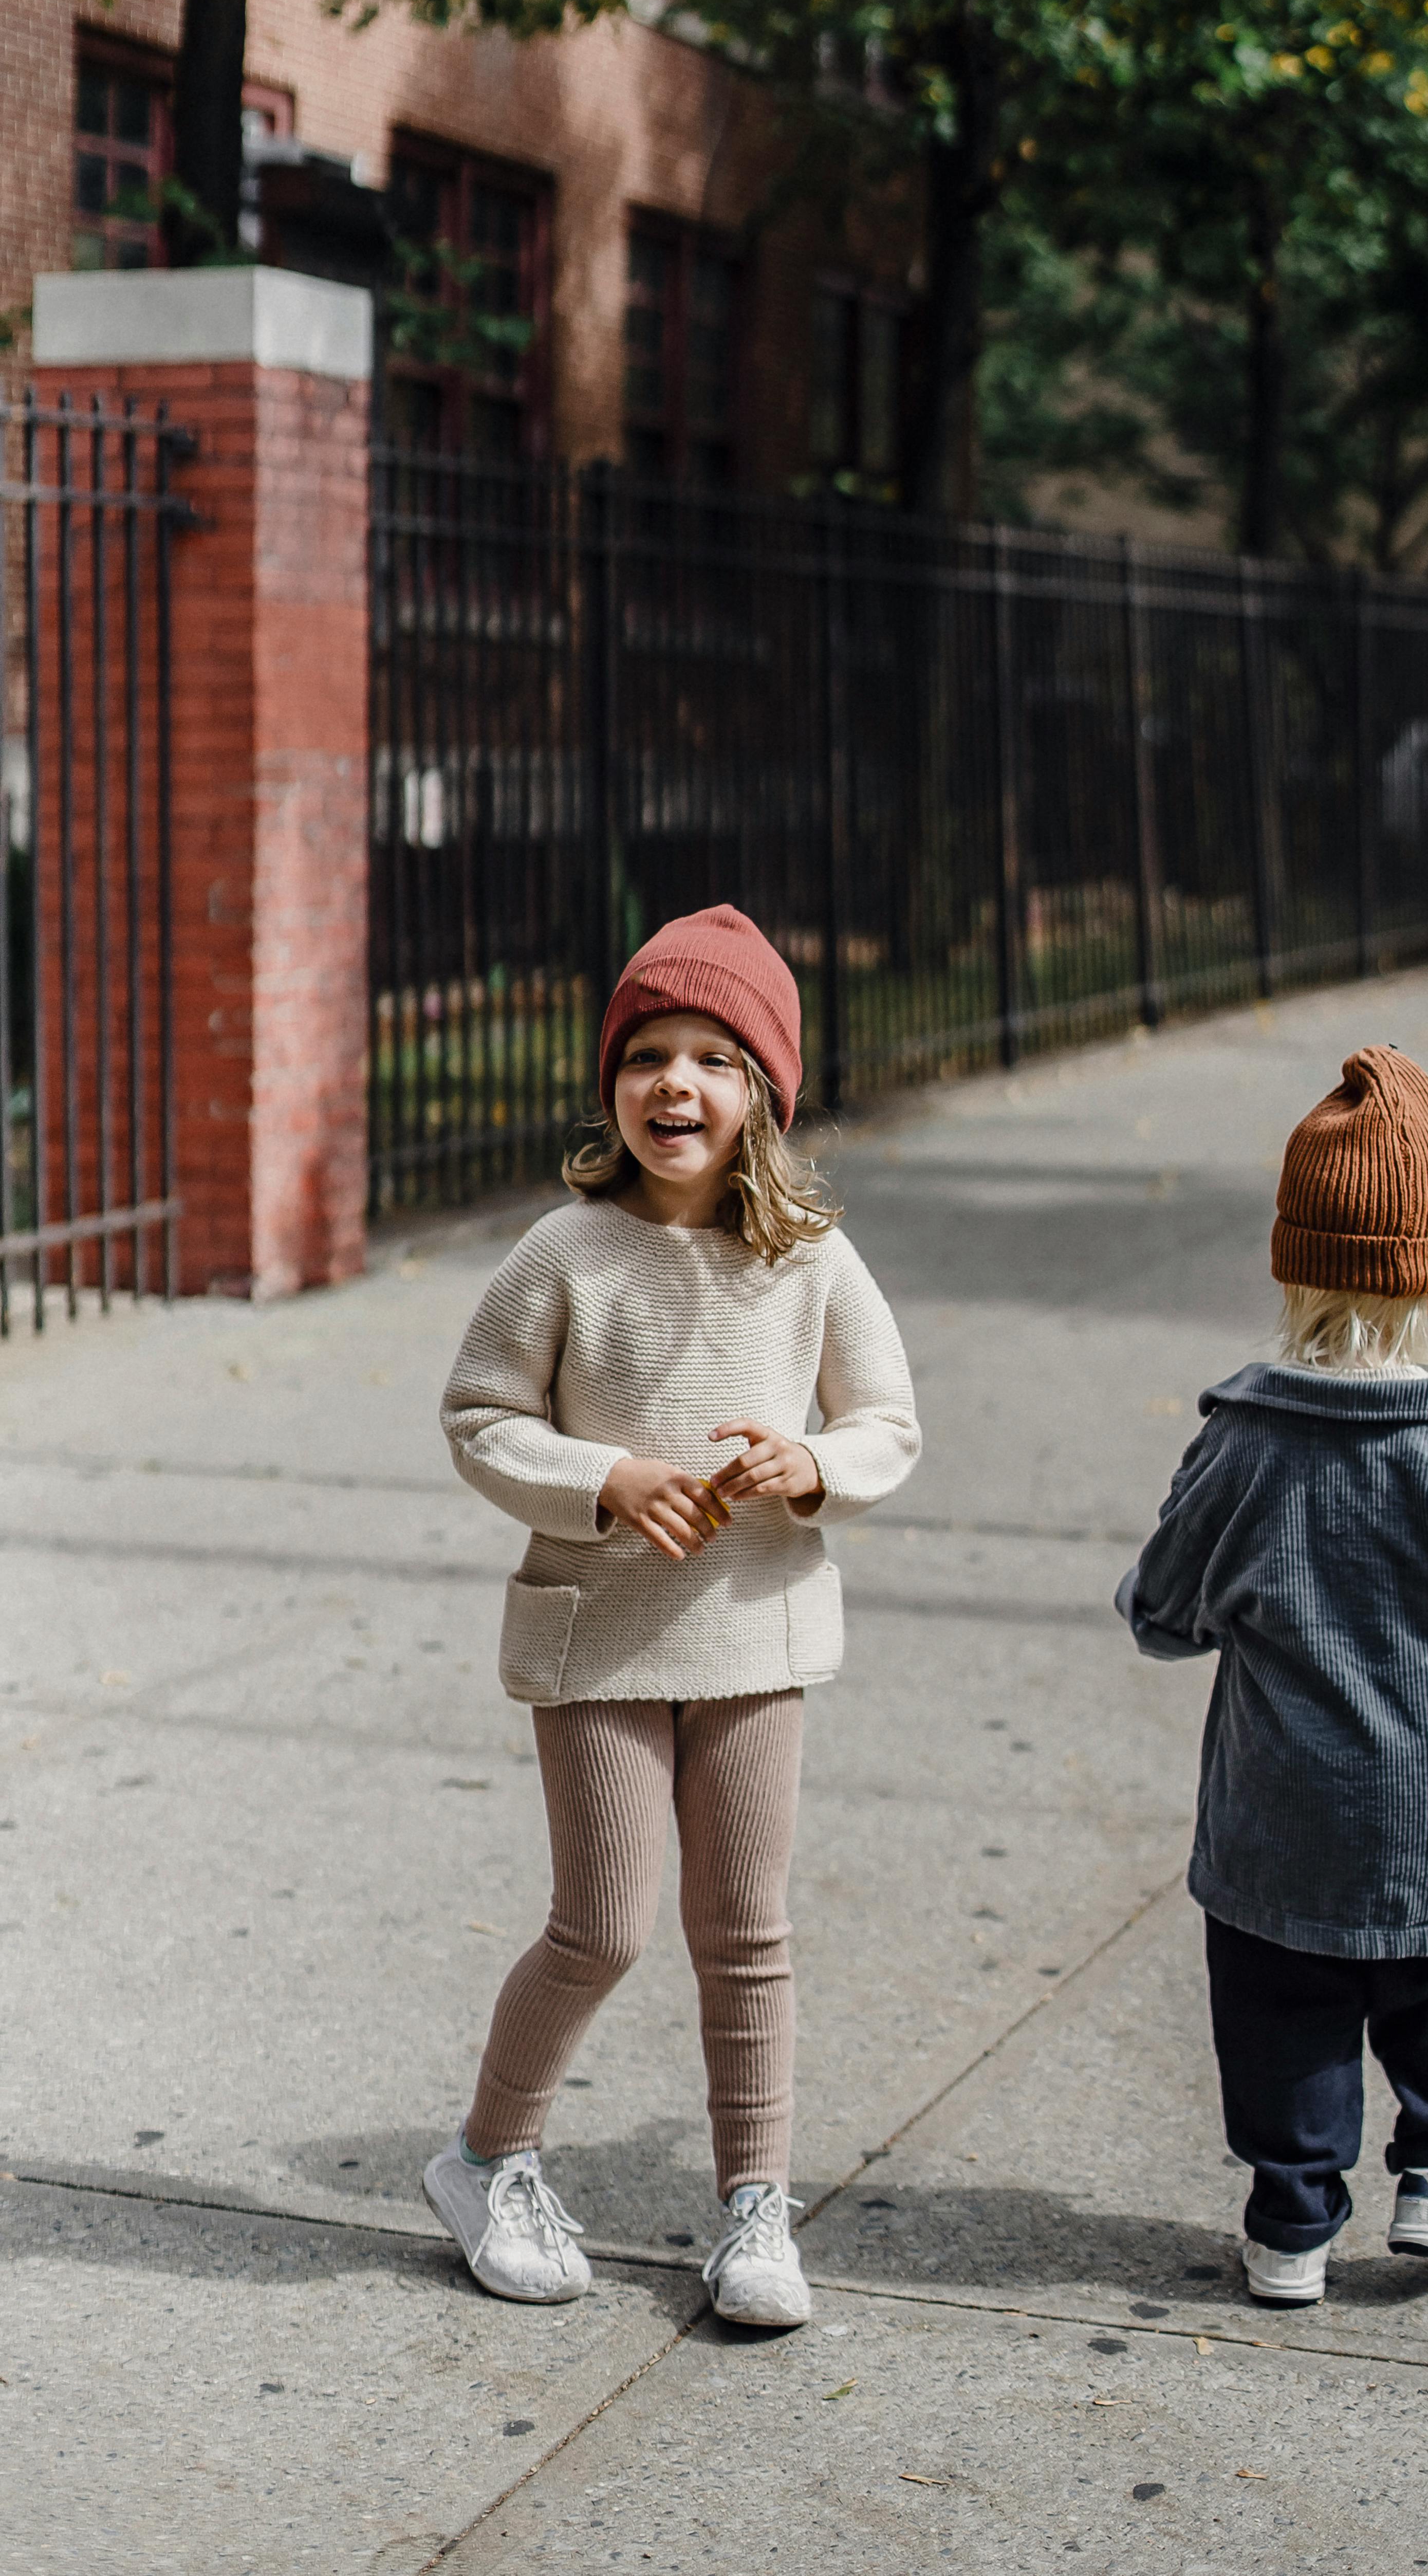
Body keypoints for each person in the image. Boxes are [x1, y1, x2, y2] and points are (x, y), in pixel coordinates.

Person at [422, 905, 920, 2324]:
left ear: (765, 1086)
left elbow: (886, 1417)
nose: (675, 1083)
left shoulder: (811, 1256)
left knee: (745, 1928)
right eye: (647, 1053)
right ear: (612, 1083)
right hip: (599, 1639)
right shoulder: (563, 1251)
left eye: (713, 1054)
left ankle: (755, 2205)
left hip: (754, 1632)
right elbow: (477, 1415)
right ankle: (486, 2155)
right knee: (601, 1926)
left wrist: (811, 1462)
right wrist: (606, 1476)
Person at [1117, 1043, 1428, 2307]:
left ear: (1292, 1266)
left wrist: (1194, 1604)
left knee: (1279, 2008)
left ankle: (1289, 2223)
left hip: (1280, 1818)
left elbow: (1163, 1611)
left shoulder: (1245, 1440)